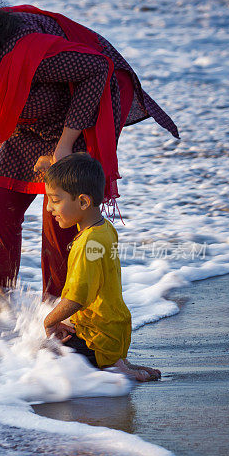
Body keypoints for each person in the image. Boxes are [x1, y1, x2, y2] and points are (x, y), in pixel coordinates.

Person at [0, 0, 178, 298]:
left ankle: (62, 322)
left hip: (81, 109)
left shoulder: (22, 53)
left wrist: (65, 145)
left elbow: (98, 69)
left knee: (61, 213)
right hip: (26, 120)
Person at [43, 153, 160, 382]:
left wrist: (49, 321)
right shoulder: (105, 228)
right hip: (114, 330)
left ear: (84, 202)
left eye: (55, 200)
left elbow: (77, 298)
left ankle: (113, 366)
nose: (49, 208)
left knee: (41, 355)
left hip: (96, 337)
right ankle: (118, 362)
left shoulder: (88, 243)